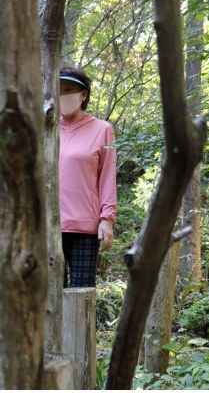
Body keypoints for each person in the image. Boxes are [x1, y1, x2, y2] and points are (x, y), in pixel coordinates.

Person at [57, 66, 117, 288]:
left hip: (84, 227)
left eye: (69, 89)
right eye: (60, 89)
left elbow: (108, 176)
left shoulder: (102, 129)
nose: (64, 94)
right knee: (49, 296)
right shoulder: (46, 127)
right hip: (48, 225)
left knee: (81, 295)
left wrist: (107, 219)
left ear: (83, 95)